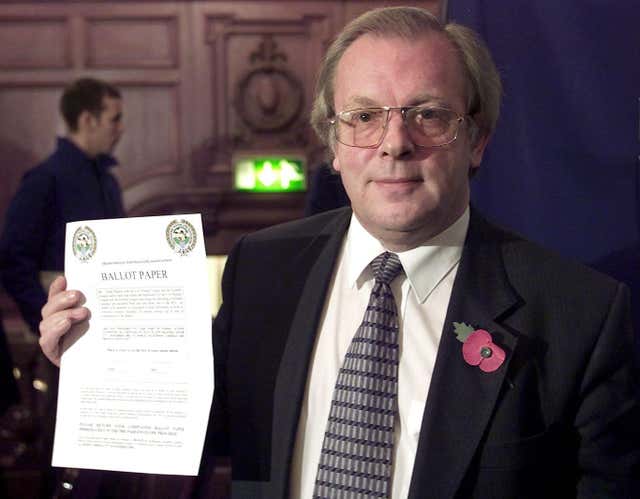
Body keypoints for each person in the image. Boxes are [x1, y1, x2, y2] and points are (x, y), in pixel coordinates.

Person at [38, 7, 639, 499]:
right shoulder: (264, 269)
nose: (394, 143)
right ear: (333, 141)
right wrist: (95, 360)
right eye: (364, 116)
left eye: (428, 114)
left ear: (476, 140)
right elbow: (202, 427)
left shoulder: (579, 316)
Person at [0, 77, 125, 335]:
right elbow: (13, 262)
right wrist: (46, 323)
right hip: (62, 328)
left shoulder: (107, 181)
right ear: (87, 120)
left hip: (108, 323)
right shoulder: (43, 180)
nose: (121, 128)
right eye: (115, 119)